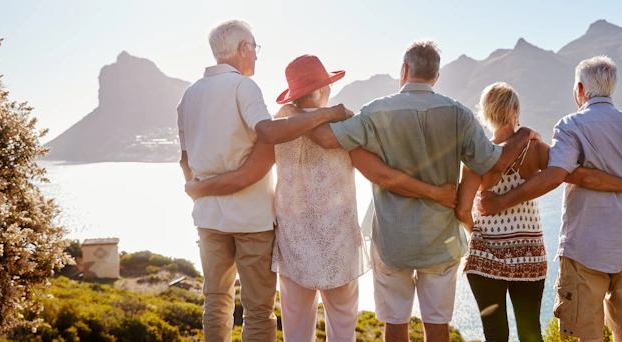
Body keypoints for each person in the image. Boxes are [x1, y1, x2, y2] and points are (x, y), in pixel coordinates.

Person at [185, 55, 457, 342]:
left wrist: (201, 187)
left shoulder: (277, 128)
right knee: (342, 332)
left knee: (297, 334)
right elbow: (381, 174)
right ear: (320, 90)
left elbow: (248, 174)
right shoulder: (343, 128)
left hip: (294, 248)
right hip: (339, 249)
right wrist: (433, 191)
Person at [303, 40, 541, 342]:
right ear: (436, 76)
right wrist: (524, 134)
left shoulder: (375, 112)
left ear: (404, 69)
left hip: (391, 239)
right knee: (437, 325)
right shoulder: (459, 114)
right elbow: (495, 160)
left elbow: (325, 139)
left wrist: (297, 111)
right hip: (441, 239)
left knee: (395, 323)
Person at [176, 20, 351, 342]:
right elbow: (268, 134)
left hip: (207, 217)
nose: (256, 56)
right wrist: (327, 114)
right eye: (255, 48)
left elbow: (185, 160)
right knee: (258, 309)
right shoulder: (243, 87)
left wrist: (199, 189)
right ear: (243, 48)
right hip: (251, 220)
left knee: (215, 302)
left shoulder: (189, 95)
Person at [477, 56, 622, 342]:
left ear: (579, 89)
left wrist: (502, 202)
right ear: (611, 88)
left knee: (586, 334)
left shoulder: (571, 125)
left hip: (584, 248)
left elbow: (556, 175)